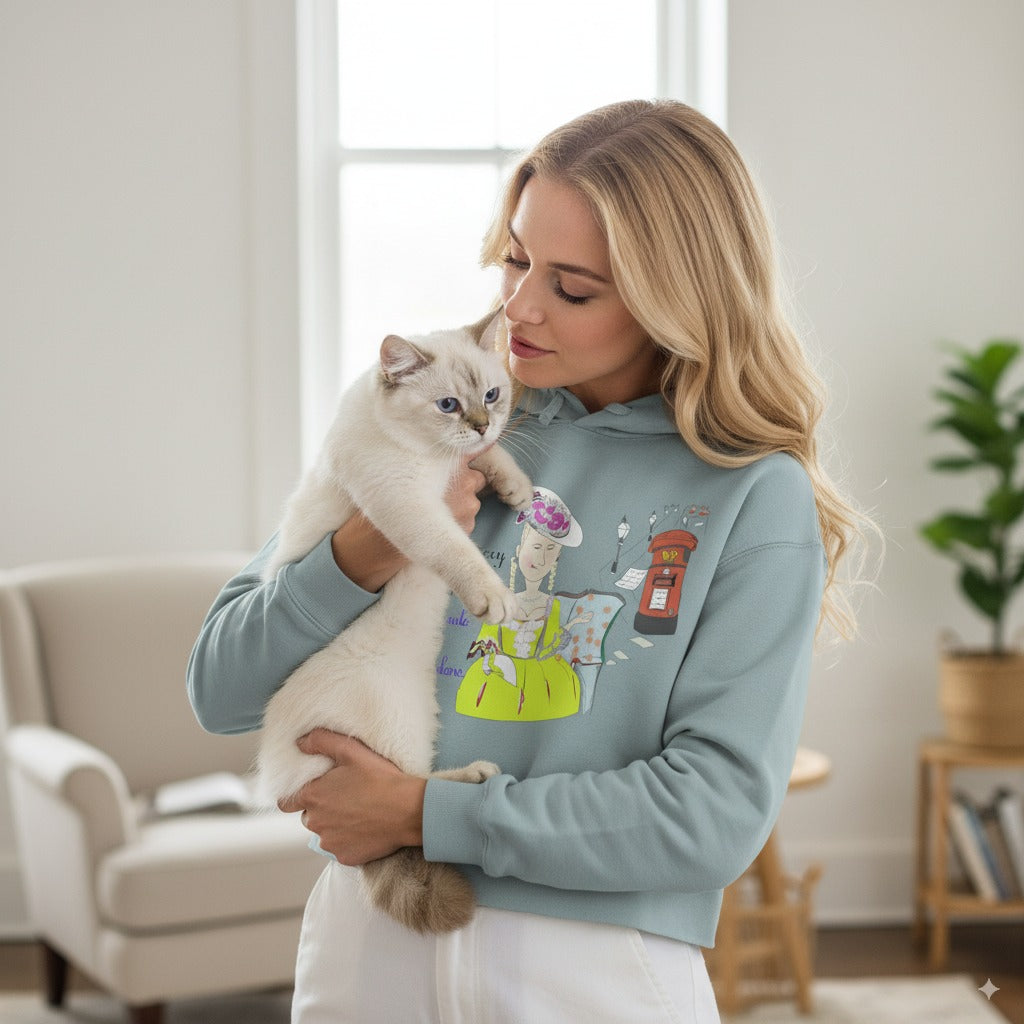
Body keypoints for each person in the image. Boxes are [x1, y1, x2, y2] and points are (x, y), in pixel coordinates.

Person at [188, 99, 867, 1023]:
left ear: (676, 297)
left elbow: (711, 816)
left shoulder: (752, 494)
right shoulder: (422, 418)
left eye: (573, 286)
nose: (519, 307)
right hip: (369, 951)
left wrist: (426, 816)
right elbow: (218, 690)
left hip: (596, 975)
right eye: (515, 257)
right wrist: (365, 552)